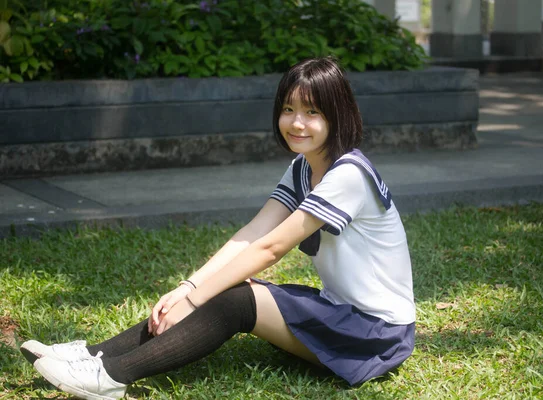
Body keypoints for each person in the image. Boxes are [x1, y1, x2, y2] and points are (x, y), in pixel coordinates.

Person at [20, 57, 416, 400]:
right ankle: (92, 356)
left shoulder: (348, 175)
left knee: (236, 300)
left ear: (337, 115)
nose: (297, 123)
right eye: (289, 109)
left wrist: (195, 302)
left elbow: (270, 248)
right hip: (340, 313)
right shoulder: (304, 167)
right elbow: (253, 232)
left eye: (312, 112)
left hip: (376, 336)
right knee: (221, 287)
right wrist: (188, 288)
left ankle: (110, 378)